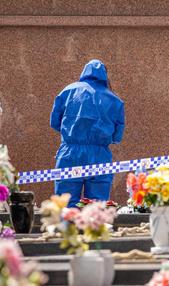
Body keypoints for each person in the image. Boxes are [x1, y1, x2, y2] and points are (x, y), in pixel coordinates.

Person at [50, 60, 125, 206]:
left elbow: (54, 122)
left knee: (66, 204)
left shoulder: (68, 91)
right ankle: (93, 229)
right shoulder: (115, 99)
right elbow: (117, 135)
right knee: (97, 206)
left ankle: (67, 229)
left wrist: (72, 133)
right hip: (100, 155)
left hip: (70, 153)